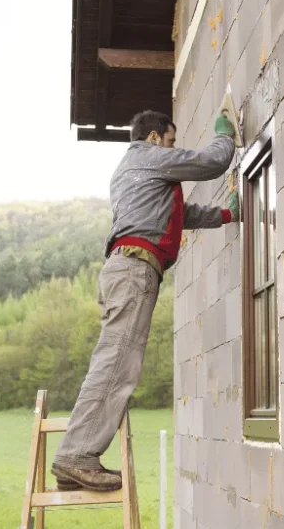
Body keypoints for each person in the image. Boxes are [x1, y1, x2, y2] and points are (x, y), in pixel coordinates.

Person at [51, 109, 238, 491]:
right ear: (154, 138)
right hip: (134, 271)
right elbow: (210, 162)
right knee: (117, 363)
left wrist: (225, 214)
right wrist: (225, 137)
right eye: (171, 141)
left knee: (116, 361)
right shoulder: (146, 156)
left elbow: (176, 214)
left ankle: (75, 458)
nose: (174, 148)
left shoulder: (138, 171)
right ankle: (76, 457)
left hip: (129, 270)